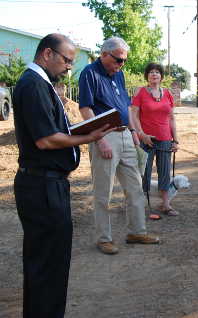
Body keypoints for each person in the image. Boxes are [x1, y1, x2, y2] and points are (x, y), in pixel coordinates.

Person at [13, 33, 114, 318]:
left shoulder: (41, 85)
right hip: (41, 186)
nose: (69, 67)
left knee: (50, 263)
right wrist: (90, 136)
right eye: (66, 60)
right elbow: (45, 140)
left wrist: (83, 131)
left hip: (47, 184)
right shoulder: (32, 85)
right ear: (47, 54)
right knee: (47, 264)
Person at [79, 36, 159, 255]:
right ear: (104, 54)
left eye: (123, 61)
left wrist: (134, 131)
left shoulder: (119, 74)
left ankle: (137, 231)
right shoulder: (89, 73)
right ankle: (104, 238)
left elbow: (125, 106)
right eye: (118, 60)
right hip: (105, 137)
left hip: (125, 135)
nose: (121, 65)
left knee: (135, 187)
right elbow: (86, 109)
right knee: (103, 192)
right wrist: (100, 140)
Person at [130, 62, 179, 220]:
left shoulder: (168, 94)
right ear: (147, 75)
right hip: (146, 139)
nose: (154, 74)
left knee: (165, 172)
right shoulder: (140, 93)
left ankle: (166, 204)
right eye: (151, 72)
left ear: (161, 76)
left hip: (165, 139)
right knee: (144, 172)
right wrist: (141, 134)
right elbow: (134, 115)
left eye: (157, 72)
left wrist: (175, 140)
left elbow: (171, 118)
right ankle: (141, 205)